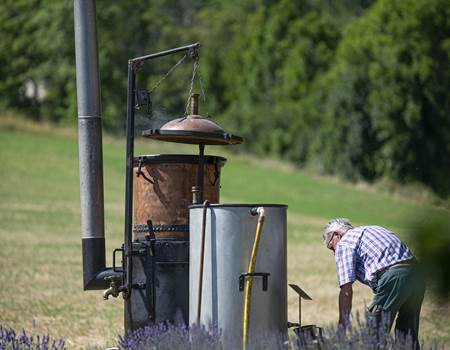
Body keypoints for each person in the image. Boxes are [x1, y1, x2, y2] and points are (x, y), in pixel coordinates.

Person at [323, 218, 426, 348]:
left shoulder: (344, 243)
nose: (334, 252)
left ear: (337, 235)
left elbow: (346, 290)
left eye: (331, 246)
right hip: (417, 275)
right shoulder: (372, 229)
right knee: (406, 335)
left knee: (374, 334)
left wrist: (342, 325)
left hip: (394, 277)